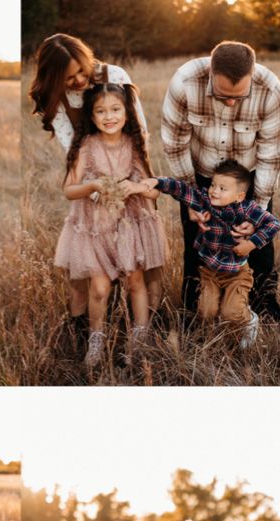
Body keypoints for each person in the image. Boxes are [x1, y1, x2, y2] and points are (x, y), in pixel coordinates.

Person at [29, 34, 150, 350]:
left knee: (137, 261)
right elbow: (73, 150)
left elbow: (140, 130)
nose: (81, 81)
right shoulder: (54, 100)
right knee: (86, 272)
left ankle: (141, 325)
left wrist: (135, 183)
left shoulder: (116, 77)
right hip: (91, 188)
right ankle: (83, 330)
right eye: (70, 79)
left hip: (129, 179)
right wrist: (100, 193)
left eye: (82, 71)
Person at [161, 41, 280, 322]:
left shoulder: (270, 89)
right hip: (201, 177)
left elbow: (271, 154)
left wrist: (258, 210)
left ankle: (263, 306)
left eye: (239, 96)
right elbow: (175, 144)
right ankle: (195, 312)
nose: (231, 102)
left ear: (252, 76)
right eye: (222, 95)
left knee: (259, 248)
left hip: (249, 178)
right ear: (210, 74)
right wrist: (190, 199)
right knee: (196, 242)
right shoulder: (185, 82)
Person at [55, 83, 167, 368]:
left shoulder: (134, 144)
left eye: (116, 109)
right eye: (101, 111)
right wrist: (93, 184)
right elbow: (69, 190)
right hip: (95, 228)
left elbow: (154, 191)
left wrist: (135, 187)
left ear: (126, 113)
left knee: (135, 280)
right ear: (92, 117)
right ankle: (96, 338)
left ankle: (140, 337)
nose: (109, 116)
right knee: (100, 288)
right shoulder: (87, 147)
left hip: (129, 227)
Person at [138, 159, 280, 347]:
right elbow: (181, 189)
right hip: (210, 272)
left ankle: (249, 319)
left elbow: (273, 224)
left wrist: (251, 244)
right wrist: (156, 182)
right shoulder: (205, 201)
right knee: (206, 311)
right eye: (213, 185)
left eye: (222, 188)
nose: (214, 191)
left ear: (239, 196)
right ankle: (214, 337)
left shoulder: (247, 208)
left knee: (231, 313)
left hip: (237, 273)